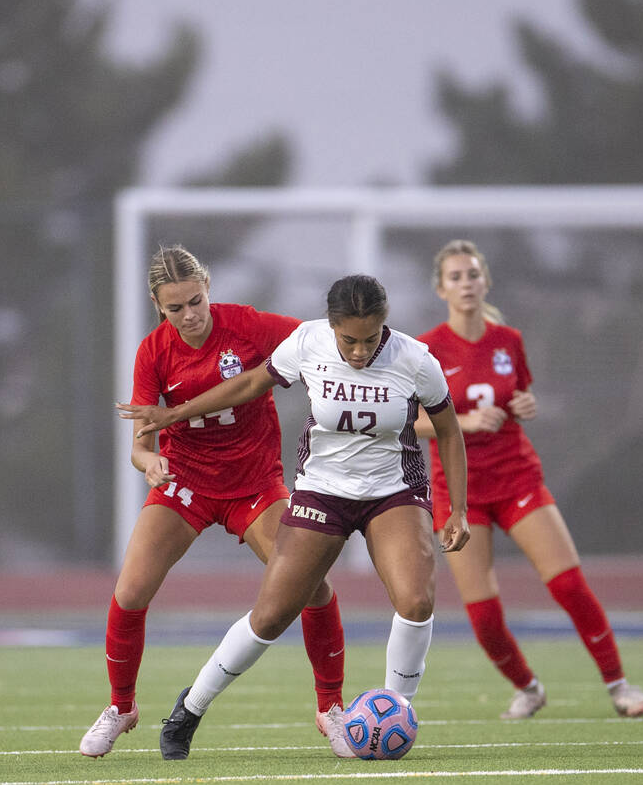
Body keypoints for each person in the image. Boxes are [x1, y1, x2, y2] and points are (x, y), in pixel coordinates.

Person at [118, 274, 470, 760]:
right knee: (272, 615)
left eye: (371, 339)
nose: (360, 351)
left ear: (384, 326)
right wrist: (174, 416)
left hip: (393, 492)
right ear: (332, 327)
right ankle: (190, 708)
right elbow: (247, 383)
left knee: (415, 601)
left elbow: (450, 432)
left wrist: (459, 509)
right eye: (350, 340)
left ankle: (393, 711)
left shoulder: (415, 359)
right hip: (321, 493)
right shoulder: (307, 341)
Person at [79, 245, 347, 757]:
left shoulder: (247, 326)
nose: (189, 315)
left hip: (255, 485)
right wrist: (150, 464)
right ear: (159, 307)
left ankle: (330, 707)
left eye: (195, 301)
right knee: (131, 590)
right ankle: (121, 706)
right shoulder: (153, 352)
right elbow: (140, 446)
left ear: (209, 289)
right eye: (175, 308)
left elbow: (319, 336)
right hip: (186, 485)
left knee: (311, 584)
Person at [415, 240, 643, 720]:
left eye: (473, 275)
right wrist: (461, 422)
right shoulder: (426, 349)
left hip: (516, 477)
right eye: (456, 277)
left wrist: (525, 405)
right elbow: (411, 420)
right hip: (459, 492)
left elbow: (519, 398)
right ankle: (527, 687)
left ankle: (619, 686)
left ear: (486, 282)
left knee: (568, 585)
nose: (466, 284)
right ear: (441, 288)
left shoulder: (509, 341)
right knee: (483, 615)